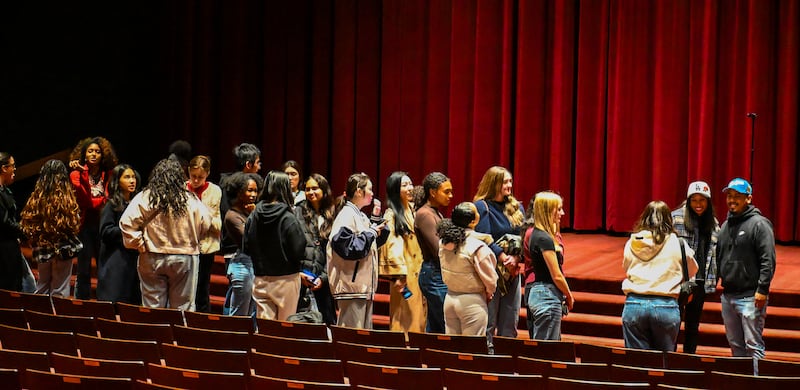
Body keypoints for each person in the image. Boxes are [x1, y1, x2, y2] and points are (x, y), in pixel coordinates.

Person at [120, 159, 215, 310]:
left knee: (152, 308)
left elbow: (126, 223)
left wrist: (139, 244)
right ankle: (178, 334)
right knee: (182, 308)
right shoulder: (190, 199)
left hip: (151, 256)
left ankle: (154, 334)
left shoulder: (146, 196)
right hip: (184, 257)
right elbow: (205, 223)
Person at [622, 200, 697, 351]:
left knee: (636, 364)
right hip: (665, 306)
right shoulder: (678, 243)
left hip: (634, 304)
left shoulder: (632, 242)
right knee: (663, 365)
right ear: (669, 220)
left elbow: (626, 266)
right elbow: (693, 269)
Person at [717, 178, 776, 360]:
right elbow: (719, 256)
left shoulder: (760, 224)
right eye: (729, 196)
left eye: (737, 197)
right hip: (728, 296)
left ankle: (756, 383)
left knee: (753, 345)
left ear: (748, 199)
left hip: (751, 297)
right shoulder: (725, 226)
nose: (732, 200)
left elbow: (768, 259)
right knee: (735, 346)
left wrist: (762, 289)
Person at [327, 173, 388, 329]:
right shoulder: (347, 215)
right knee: (351, 337)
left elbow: (371, 243)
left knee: (361, 338)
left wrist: (375, 220)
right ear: (359, 191)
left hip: (361, 289)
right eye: (370, 189)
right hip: (351, 288)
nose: (373, 193)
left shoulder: (359, 215)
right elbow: (348, 248)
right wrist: (372, 232)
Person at [243, 171, 306, 320]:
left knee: (265, 331)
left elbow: (246, 246)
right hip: (286, 279)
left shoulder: (254, 215)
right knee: (284, 330)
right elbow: (299, 250)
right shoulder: (289, 218)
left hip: (260, 278)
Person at [473, 166, 524, 347]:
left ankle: (507, 359)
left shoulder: (517, 207)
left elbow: (522, 237)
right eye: (505, 182)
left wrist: (516, 260)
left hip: (512, 272)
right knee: (489, 319)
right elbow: (484, 238)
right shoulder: (482, 207)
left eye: (510, 181)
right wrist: (503, 258)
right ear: (494, 184)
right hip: (491, 270)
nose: (509, 185)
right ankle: (488, 359)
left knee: (510, 320)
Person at [20, 160, 83, 297]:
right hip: (63, 248)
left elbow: (29, 223)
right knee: (60, 289)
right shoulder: (66, 199)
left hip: (42, 248)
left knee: (42, 286)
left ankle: (39, 316)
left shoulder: (36, 199)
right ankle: (55, 318)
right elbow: (74, 224)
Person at [671, 181, 720, 353]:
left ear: (708, 202)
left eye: (702, 200)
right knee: (673, 322)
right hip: (678, 281)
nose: (698, 205)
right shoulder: (676, 218)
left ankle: (688, 359)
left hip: (700, 282)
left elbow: (715, 253)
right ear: (688, 201)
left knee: (693, 325)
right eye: (694, 200)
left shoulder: (713, 223)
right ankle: (671, 359)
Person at [68, 136, 119, 299]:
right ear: (84, 154)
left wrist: (97, 202)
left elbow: (109, 200)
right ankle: (82, 303)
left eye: (97, 152)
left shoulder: (109, 174)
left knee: (104, 265)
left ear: (103, 155)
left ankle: (104, 300)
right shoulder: (75, 174)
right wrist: (84, 175)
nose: (94, 154)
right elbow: (84, 200)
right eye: (90, 151)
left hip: (103, 226)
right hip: (84, 226)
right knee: (83, 268)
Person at [438, 202, 497, 336]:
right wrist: (489, 292)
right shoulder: (477, 246)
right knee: (471, 350)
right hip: (472, 302)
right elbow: (491, 280)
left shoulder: (443, 242)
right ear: (473, 221)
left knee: (453, 350)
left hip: (450, 298)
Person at [379, 172, 426, 333]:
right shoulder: (391, 215)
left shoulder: (414, 210)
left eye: (410, 184)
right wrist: (399, 275)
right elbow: (392, 244)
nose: (409, 188)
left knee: (419, 313)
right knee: (405, 313)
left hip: (419, 270)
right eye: (404, 185)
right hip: (404, 274)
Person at [525, 191, 574, 340]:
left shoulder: (536, 234)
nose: (562, 213)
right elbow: (556, 274)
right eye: (558, 209)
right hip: (546, 296)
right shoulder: (544, 238)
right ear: (547, 210)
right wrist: (569, 296)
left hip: (539, 294)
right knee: (546, 353)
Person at [294, 173, 338, 325]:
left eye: (315, 188)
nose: (311, 192)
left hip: (325, 278)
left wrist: (324, 278)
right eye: (307, 189)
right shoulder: (298, 211)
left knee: (327, 324)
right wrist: (298, 272)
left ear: (324, 190)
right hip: (302, 278)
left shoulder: (334, 212)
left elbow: (335, 252)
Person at [96, 164, 142, 304]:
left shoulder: (137, 203)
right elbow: (106, 231)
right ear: (117, 180)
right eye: (127, 177)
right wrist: (128, 232)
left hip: (133, 257)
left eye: (133, 177)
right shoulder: (111, 205)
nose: (132, 180)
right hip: (115, 258)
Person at [415, 172, 453, 333]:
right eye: (446, 191)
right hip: (433, 274)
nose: (451, 195)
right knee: (445, 323)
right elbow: (439, 249)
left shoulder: (435, 212)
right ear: (432, 192)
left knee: (436, 325)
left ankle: (430, 356)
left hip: (437, 273)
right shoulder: (425, 214)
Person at [220, 172, 263, 316]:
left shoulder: (250, 211)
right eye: (249, 190)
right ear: (239, 192)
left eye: (255, 191)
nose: (253, 194)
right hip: (241, 266)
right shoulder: (232, 216)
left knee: (252, 313)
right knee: (239, 314)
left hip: (253, 264)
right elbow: (250, 239)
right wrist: (254, 216)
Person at [186, 155, 222, 313]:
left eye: (200, 177)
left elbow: (216, 223)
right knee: (186, 286)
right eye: (193, 176)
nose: (195, 180)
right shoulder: (182, 188)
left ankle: (201, 318)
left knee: (202, 286)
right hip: (185, 245)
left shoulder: (214, 191)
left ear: (207, 174)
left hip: (206, 246)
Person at [0, 152, 27, 292]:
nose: (15, 169)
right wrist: (25, 231)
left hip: (9, 246)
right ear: (4, 168)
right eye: (13, 166)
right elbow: (4, 222)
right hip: (4, 250)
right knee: (8, 289)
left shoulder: (5, 191)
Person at [219, 143, 262, 220]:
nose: (259, 167)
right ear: (248, 165)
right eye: (257, 163)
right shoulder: (231, 185)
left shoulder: (224, 183)